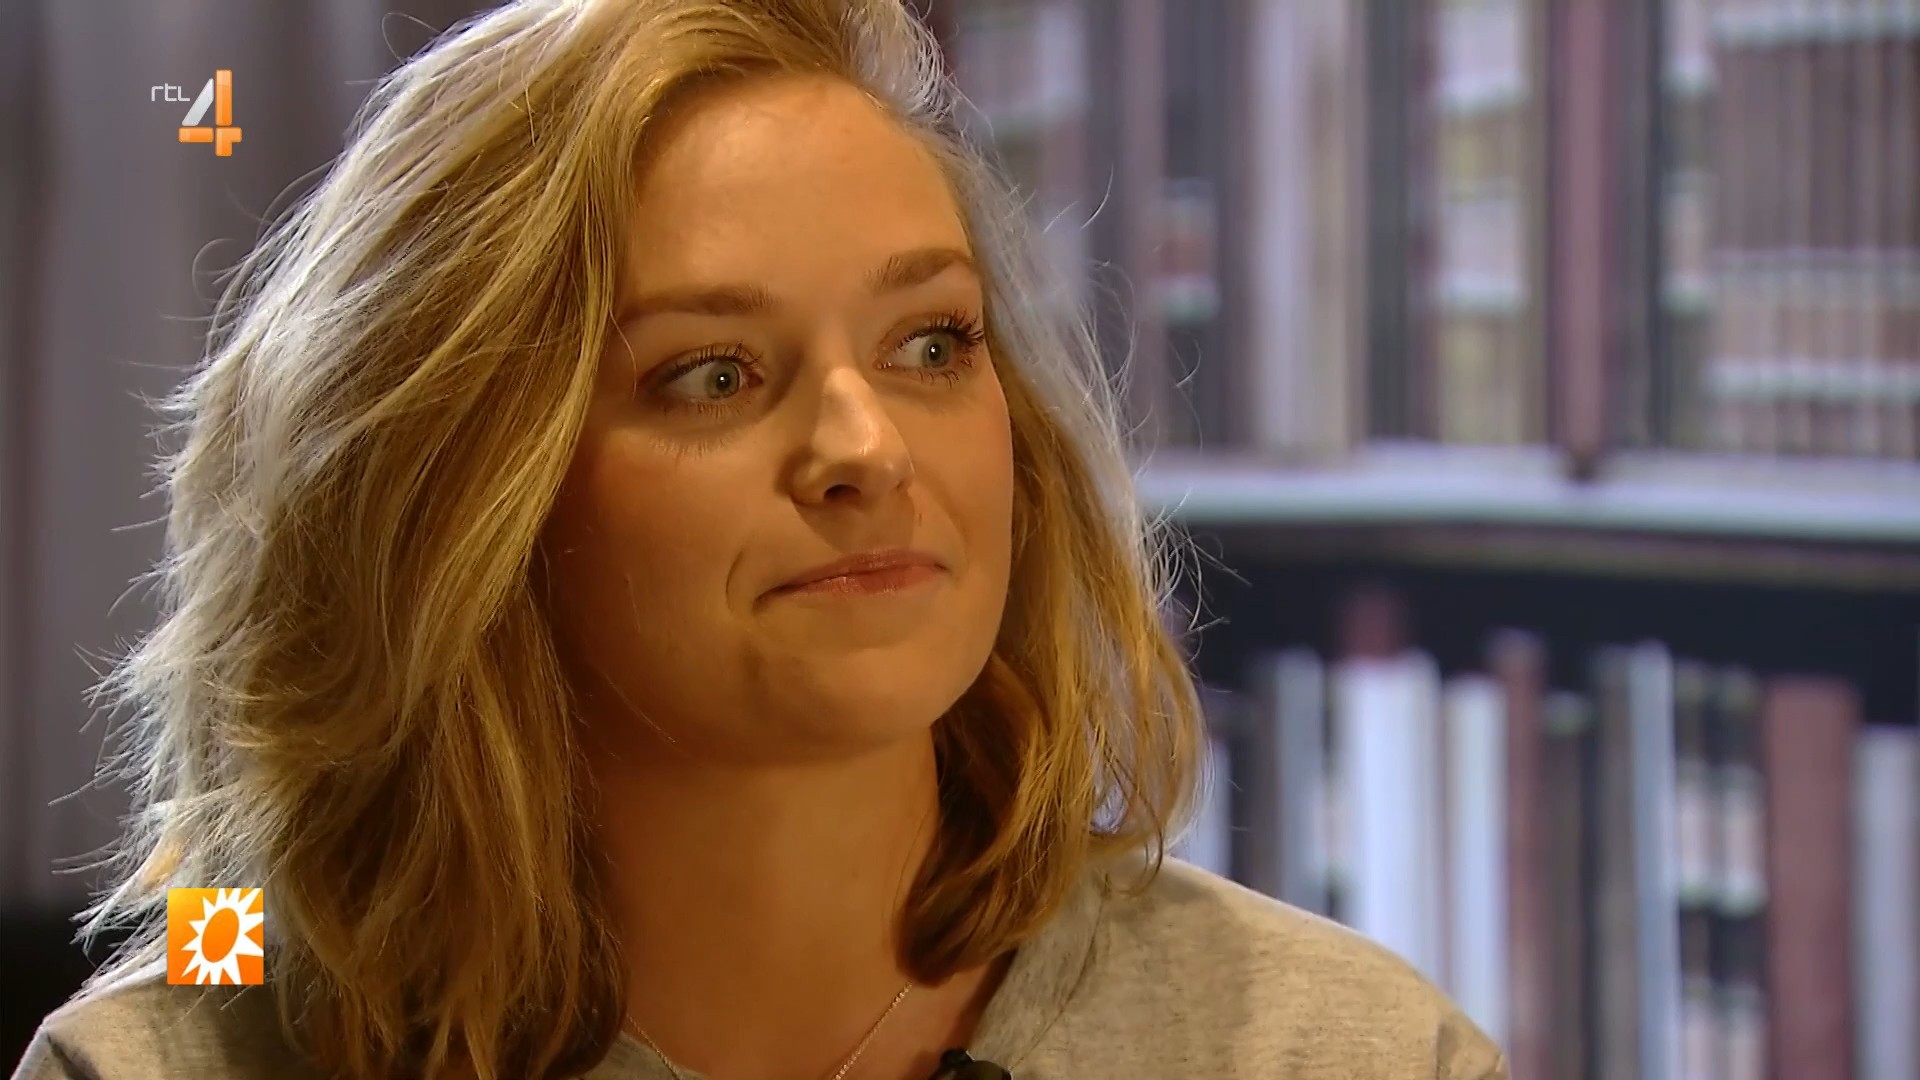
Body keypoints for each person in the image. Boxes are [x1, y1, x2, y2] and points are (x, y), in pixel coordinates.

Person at [12, 1, 1509, 1078]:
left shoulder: (1341, 1050)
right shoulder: (166, 1063)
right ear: (464, 495)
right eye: (712, 374)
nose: (867, 448)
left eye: (932, 344)